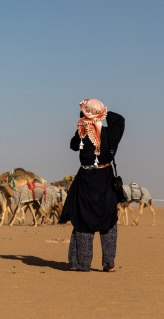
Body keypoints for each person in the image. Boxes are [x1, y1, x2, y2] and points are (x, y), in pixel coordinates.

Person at [59, 99, 125, 272]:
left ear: (86, 112)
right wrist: (102, 112)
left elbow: (73, 146)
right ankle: (109, 263)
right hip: (106, 180)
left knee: (84, 220)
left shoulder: (82, 131)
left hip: (86, 181)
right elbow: (120, 119)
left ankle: (83, 263)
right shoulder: (112, 133)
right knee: (109, 221)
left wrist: (86, 119)